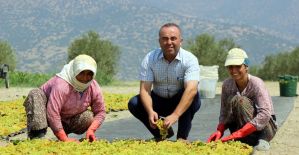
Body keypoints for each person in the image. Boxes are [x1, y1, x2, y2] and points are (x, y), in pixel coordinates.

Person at [128, 23, 201, 141]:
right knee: (134, 103)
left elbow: (191, 89)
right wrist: (150, 111)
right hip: (159, 100)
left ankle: (182, 137)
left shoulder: (189, 59)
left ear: (180, 41)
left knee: (193, 95)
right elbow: (145, 89)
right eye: (165, 39)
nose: (169, 42)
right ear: (159, 41)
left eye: (173, 38)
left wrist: (176, 115)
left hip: (179, 101)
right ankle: (163, 133)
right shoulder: (150, 58)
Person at [23, 54, 106, 142]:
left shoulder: (93, 86)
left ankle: (63, 132)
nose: (85, 78)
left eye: (89, 74)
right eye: (81, 73)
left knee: (88, 117)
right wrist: (64, 139)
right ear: (75, 71)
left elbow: (100, 112)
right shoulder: (62, 84)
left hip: (67, 118)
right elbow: (53, 113)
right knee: (35, 93)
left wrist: (91, 130)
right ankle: (37, 135)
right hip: (45, 114)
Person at [207, 48, 277, 151]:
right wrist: (220, 130)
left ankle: (259, 140)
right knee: (235, 100)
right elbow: (224, 112)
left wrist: (240, 133)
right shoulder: (227, 85)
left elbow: (265, 114)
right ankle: (245, 139)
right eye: (231, 67)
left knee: (239, 100)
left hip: (264, 129)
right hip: (240, 128)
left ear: (246, 67)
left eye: (238, 66)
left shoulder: (256, 84)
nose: (234, 70)